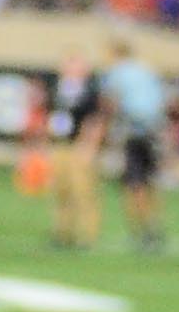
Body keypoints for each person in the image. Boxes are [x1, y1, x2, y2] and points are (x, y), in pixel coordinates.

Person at [102, 39, 172, 250]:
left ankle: (140, 230)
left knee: (133, 184)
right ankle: (156, 226)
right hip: (154, 132)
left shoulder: (117, 73)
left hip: (133, 131)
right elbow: (162, 101)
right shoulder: (147, 71)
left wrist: (109, 134)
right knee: (151, 182)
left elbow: (111, 102)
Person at [45, 57, 104, 250]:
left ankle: (87, 235)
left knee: (83, 192)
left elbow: (95, 120)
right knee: (61, 191)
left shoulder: (90, 91)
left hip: (79, 145)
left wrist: (89, 145)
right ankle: (63, 232)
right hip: (60, 143)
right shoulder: (58, 87)